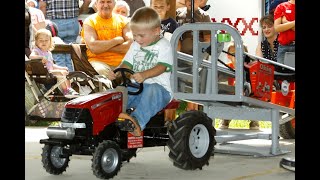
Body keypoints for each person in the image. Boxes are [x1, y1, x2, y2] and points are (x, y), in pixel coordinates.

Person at [107, 7, 173, 136]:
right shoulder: (136, 45)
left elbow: (162, 67)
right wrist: (116, 73)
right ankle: (112, 119)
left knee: (152, 89)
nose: (137, 39)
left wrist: (144, 75)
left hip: (160, 90)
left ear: (156, 31)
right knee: (119, 92)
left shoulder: (164, 46)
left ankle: (137, 122)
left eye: (141, 35)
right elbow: (126, 64)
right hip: (137, 87)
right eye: (135, 35)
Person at [82, 0, 133, 78]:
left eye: (109, 2)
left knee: (138, 71)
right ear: (96, 4)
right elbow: (94, 48)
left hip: (122, 62)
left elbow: (130, 46)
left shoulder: (124, 21)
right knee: (101, 71)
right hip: (99, 62)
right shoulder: (90, 21)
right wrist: (116, 41)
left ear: (114, 4)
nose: (105, 5)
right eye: (102, 2)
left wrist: (102, 47)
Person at [39, 0, 92, 72]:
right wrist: (78, 12)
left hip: (54, 23)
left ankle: (62, 79)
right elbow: (87, 1)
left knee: (57, 53)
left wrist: (43, 23)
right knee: (70, 54)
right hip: (72, 21)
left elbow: (42, 5)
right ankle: (70, 77)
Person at [219, 41, 260, 130]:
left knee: (254, 97)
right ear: (228, 56)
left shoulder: (250, 68)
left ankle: (254, 119)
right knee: (224, 96)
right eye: (233, 54)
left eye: (240, 53)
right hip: (233, 96)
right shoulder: (227, 68)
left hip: (247, 96)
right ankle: (225, 119)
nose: (236, 56)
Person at [29, 29, 79, 96]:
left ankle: (69, 89)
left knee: (65, 71)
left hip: (50, 72)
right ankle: (65, 91)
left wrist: (61, 68)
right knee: (59, 73)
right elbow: (31, 56)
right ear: (36, 42)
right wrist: (40, 57)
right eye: (41, 40)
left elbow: (52, 65)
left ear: (50, 42)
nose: (44, 42)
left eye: (46, 40)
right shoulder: (36, 51)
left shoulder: (48, 53)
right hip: (44, 73)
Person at [273, 0, 295, 65]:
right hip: (284, 47)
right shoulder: (281, 7)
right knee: (282, 74)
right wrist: (294, 23)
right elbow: (277, 28)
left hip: (284, 48)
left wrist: (285, 22)